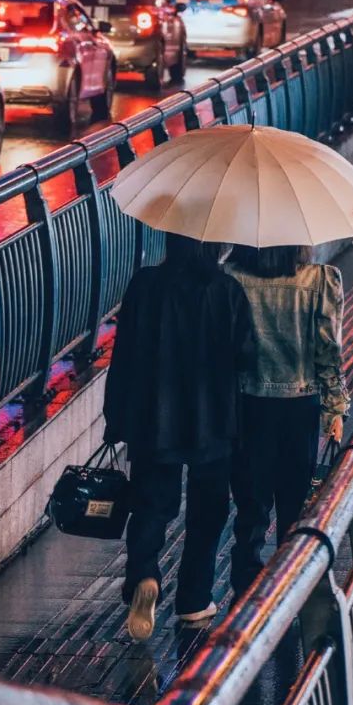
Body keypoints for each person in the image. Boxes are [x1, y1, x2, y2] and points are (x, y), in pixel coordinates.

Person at [104, 233, 255, 640]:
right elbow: (246, 357)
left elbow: (124, 355)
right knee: (207, 513)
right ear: (215, 244)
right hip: (214, 421)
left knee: (151, 505)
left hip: (155, 418)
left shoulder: (144, 285)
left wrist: (115, 416)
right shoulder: (227, 290)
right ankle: (193, 600)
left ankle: (144, 576)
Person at [228, 245, 347, 595]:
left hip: (247, 404)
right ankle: (288, 585)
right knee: (295, 502)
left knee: (251, 501)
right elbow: (328, 351)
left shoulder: (232, 279)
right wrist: (335, 408)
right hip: (300, 404)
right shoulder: (321, 280)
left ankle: (246, 584)